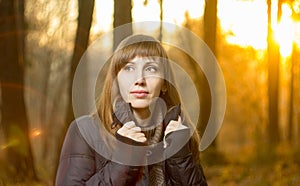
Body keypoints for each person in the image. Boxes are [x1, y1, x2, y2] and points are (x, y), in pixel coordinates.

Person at [55, 34, 207, 185]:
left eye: (151, 69)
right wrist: (123, 159)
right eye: (129, 68)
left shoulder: (180, 133)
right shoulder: (85, 131)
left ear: (165, 83)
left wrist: (180, 157)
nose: (139, 80)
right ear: (116, 79)